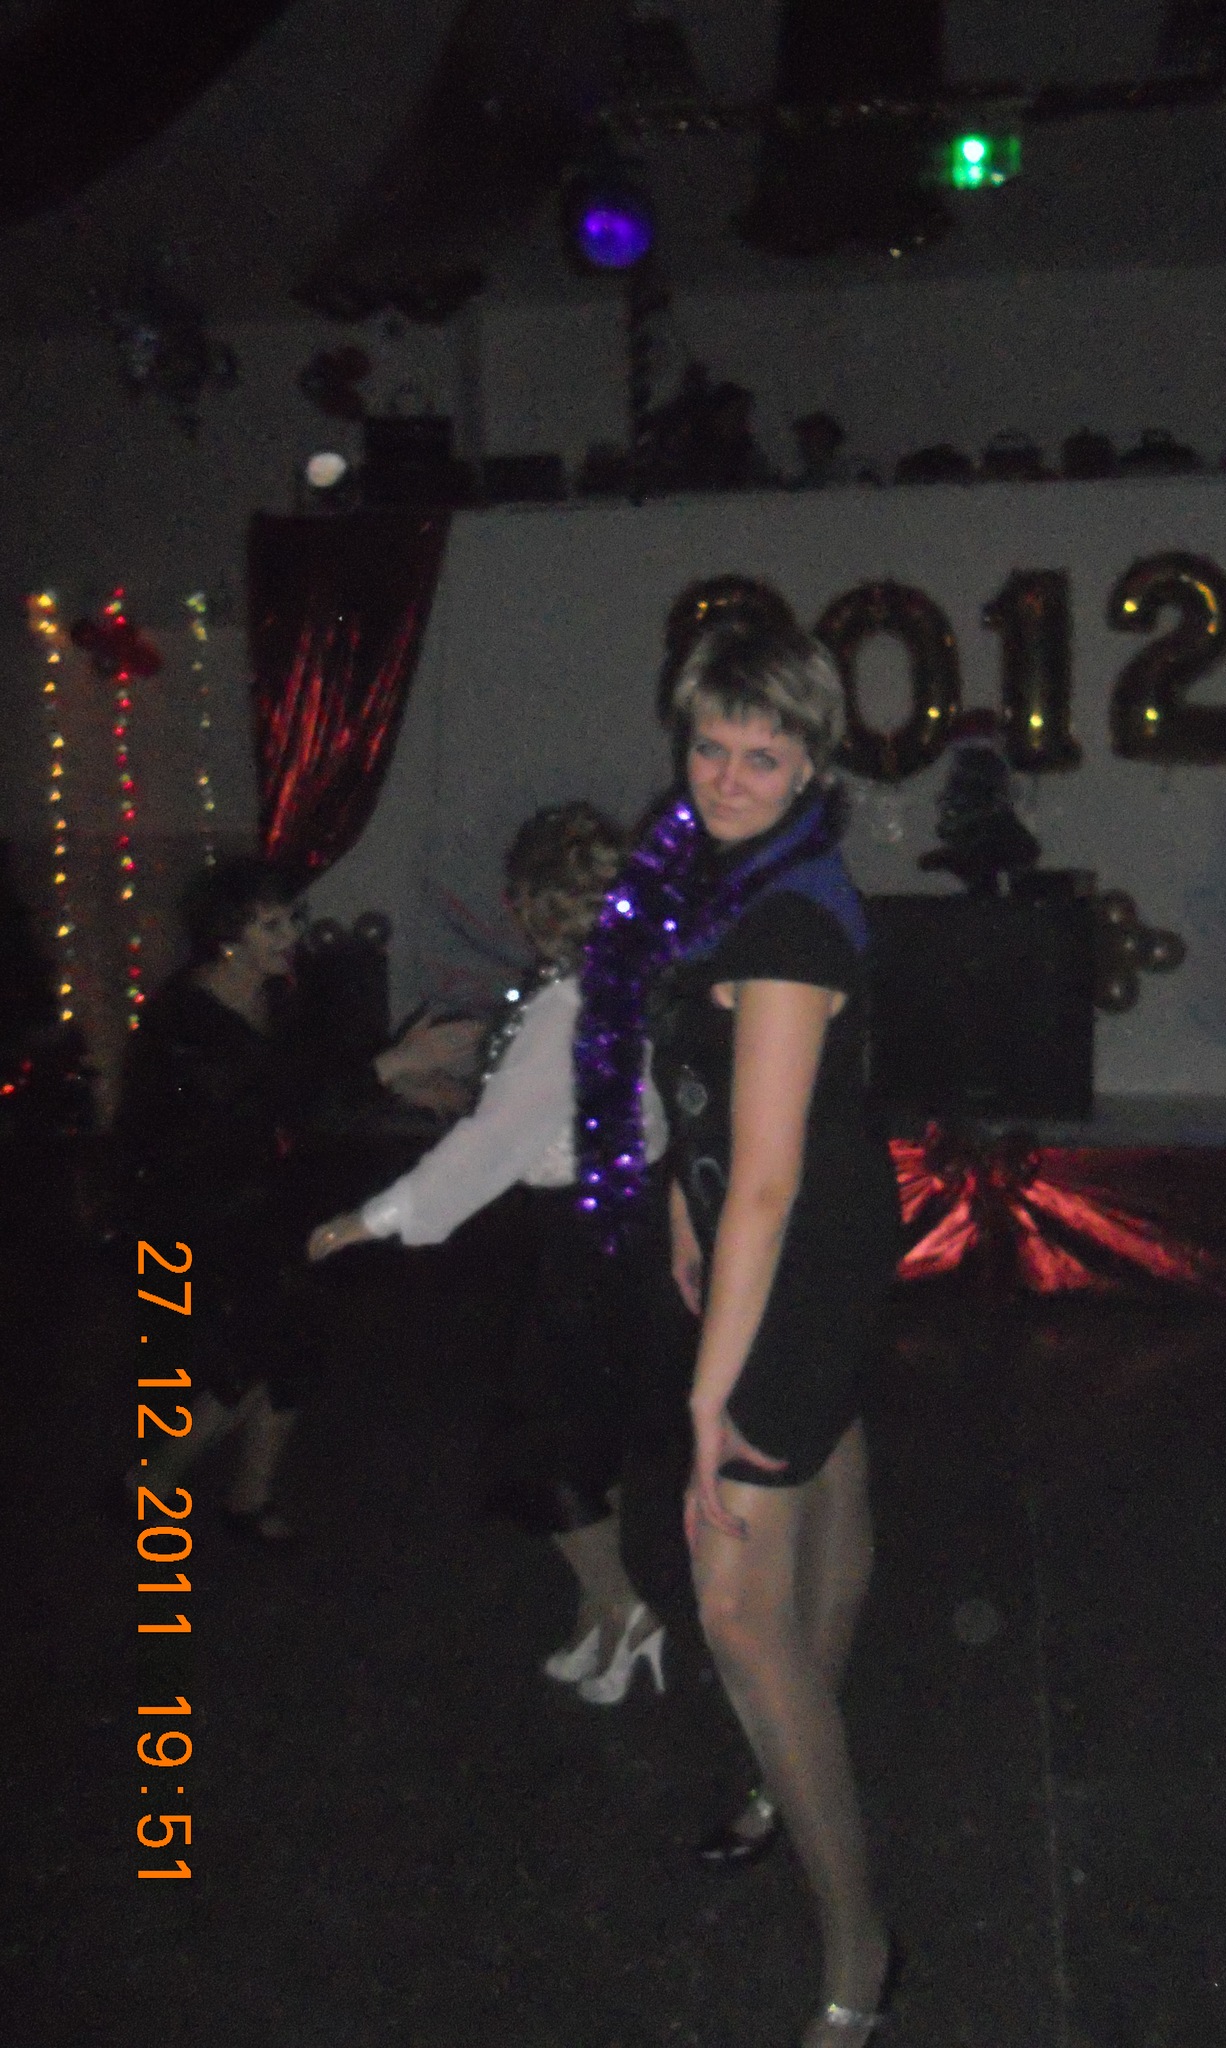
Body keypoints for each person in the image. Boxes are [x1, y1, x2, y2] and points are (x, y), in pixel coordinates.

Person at [605, 624, 902, 2045]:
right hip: (793, 1227)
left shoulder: (784, 921)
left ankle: (860, 1947)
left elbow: (772, 1180)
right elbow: (712, 1090)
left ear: (811, 764)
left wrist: (703, 1402)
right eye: (708, 748)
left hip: (798, 1253)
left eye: (762, 756)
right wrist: (683, 1185)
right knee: (827, 1494)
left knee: (733, 1602)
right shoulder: (741, 876)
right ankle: (786, 1776)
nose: (725, 777)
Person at [307, 804, 673, 1702]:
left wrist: (376, 1216)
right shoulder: (623, 986)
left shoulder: (568, 1008)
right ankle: (599, 1623)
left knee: (543, 1443)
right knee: (588, 1433)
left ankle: (625, 1612)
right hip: (625, 1227)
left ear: (529, 907)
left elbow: (492, 1145)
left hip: (582, 1238)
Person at [117, 857, 474, 1539]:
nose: (292, 937)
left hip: (269, 1194)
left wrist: (405, 1085)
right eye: (273, 925)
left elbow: (318, 1080)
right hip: (197, 1209)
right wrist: (393, 1066)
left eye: (292, 919)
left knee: (296, 1342)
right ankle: (151, 1482)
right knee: (252, 1350)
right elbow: (268, 1104)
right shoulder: (185, 1021)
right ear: (227, 936)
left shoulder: (278, 998)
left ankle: (248, 1499)